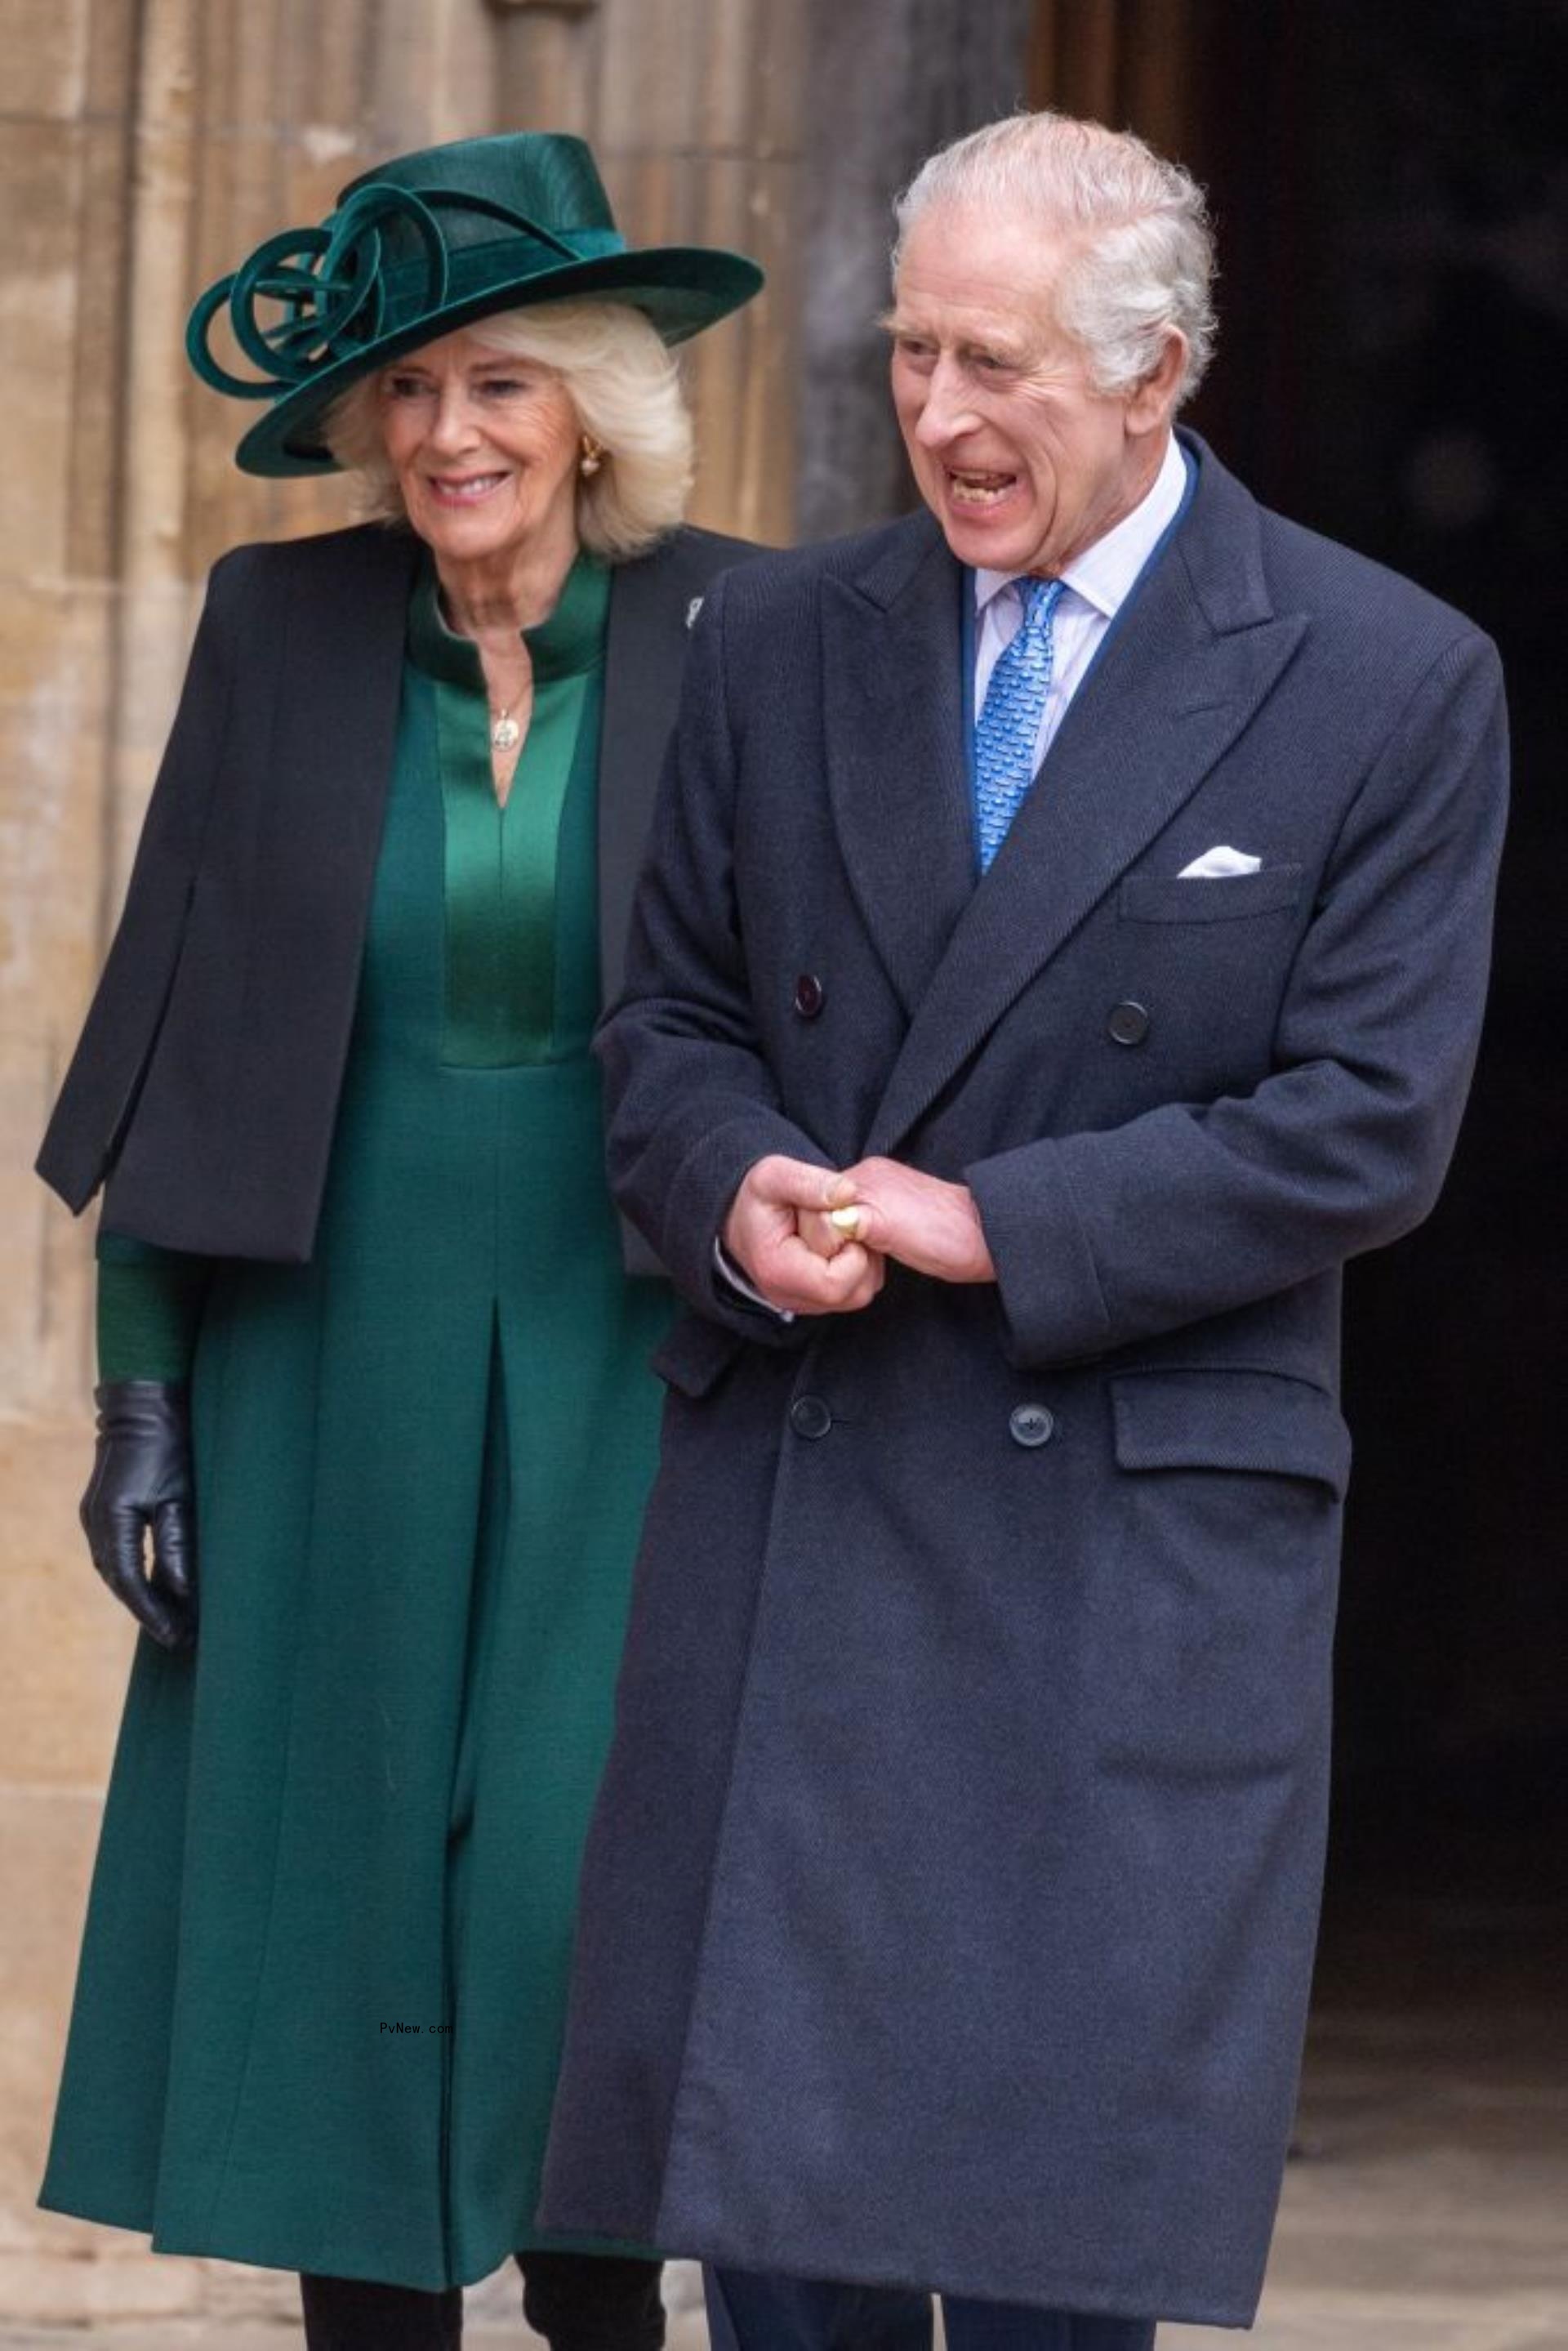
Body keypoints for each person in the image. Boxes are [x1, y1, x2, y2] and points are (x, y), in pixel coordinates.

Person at [534, 109, 1509, 2349]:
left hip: (1121, 1552)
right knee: (783, 2259)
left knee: (1052, 2260)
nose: (942, 418)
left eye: (1001, 367)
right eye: (912, 359)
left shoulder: (1383, 677)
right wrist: (729, 1189)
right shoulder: (781, 636)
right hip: (808, 1509)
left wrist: (1002, 1219)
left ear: (1158, 368)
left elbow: (1373, 1122)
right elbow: (668, 1017)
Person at [35, 132, 760, 2351]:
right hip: (324, 1341)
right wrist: (144, 1393)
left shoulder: (752, 623)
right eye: (413, 395)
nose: (451, 437)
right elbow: (176, 1017)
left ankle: (603, 2307)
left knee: (578, 1878)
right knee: (342, 1878)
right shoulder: (287, 624)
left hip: (638, 1354)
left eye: (502, 389)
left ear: (596, 416)